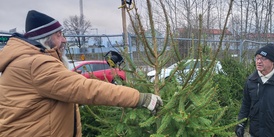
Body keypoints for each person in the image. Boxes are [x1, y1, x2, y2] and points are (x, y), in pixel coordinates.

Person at [0, 10, 163, 137]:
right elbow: (85, 88)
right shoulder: (36, 63)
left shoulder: (26, 60)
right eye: (59, 35)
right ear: (45, 39)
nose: (64, 40)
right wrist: (139, 98)